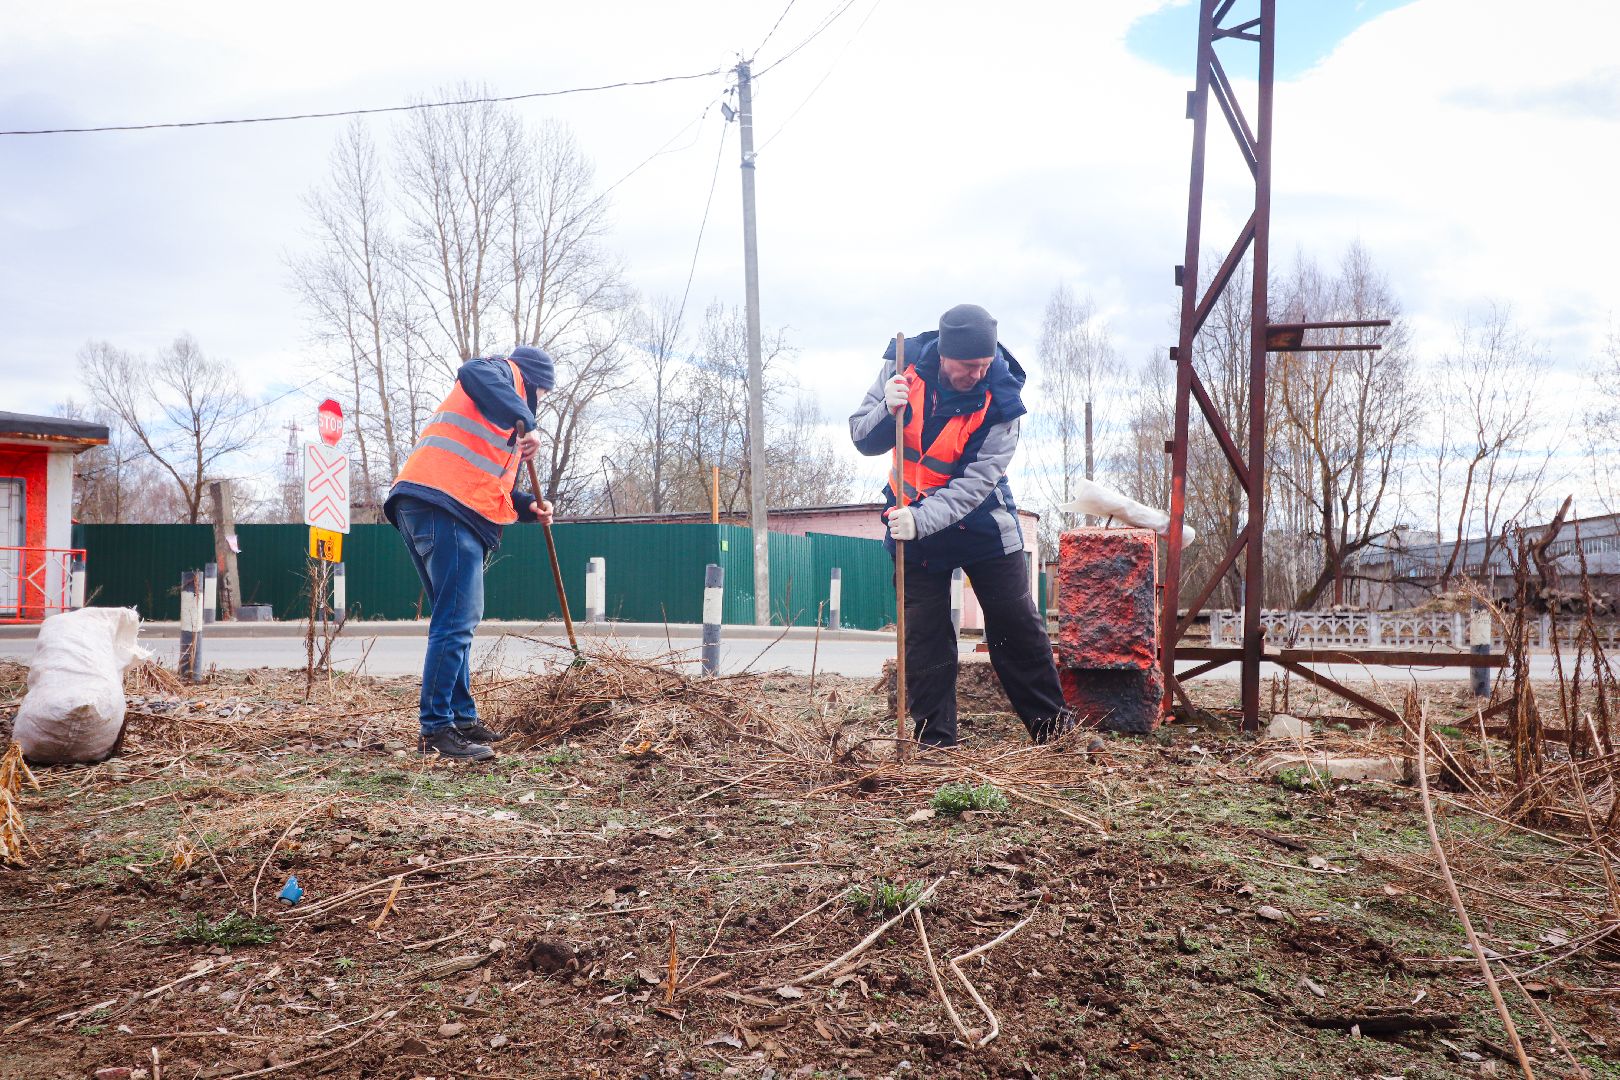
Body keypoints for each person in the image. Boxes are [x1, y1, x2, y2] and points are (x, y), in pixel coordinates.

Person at [850, 303, 1070, 749]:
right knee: (925, 638)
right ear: (945, 355)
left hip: (980, 524)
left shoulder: (1003, 400)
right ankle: (936, 745)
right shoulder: (900, 365)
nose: (977, 374)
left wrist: (921, 519)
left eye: (984, 366)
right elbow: (861, 436)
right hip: (908, 520)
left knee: (1017, 627)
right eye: (969, 366)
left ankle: (1056, 736)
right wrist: (883, 413)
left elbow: (975, 485)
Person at [384, 345, 556, 762]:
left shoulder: (501, 422)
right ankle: (437, 728)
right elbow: (472, 370)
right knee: (458, 619)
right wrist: (528, 423)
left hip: (438, 505)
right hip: (443, 505)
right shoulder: (497, 373)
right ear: (529, 381)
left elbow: (489, 485)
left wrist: (527, 506)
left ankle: (460, 718)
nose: (538, 403)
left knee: (456, 618)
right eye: (541, 394)